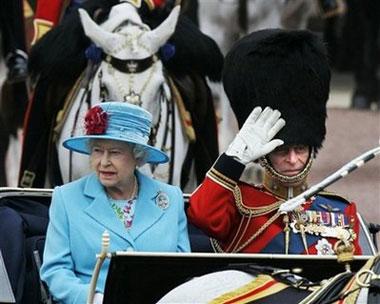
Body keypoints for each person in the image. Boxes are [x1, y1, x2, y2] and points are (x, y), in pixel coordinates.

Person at [187, 28, 363, 255]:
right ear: (265, 153)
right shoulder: (239, 202)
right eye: (281, 151)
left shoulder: (341, 212)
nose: (292, 160)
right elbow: (201, 215)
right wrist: (234, 157)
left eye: (300, 149)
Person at [40, 101, 190, 303]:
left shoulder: (171, 199)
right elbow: (55, 271)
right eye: (97, 151)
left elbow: (184, 269)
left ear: (138, 155)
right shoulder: (66, 198)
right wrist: (94, 298)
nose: (103, 162)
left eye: (115, 152)